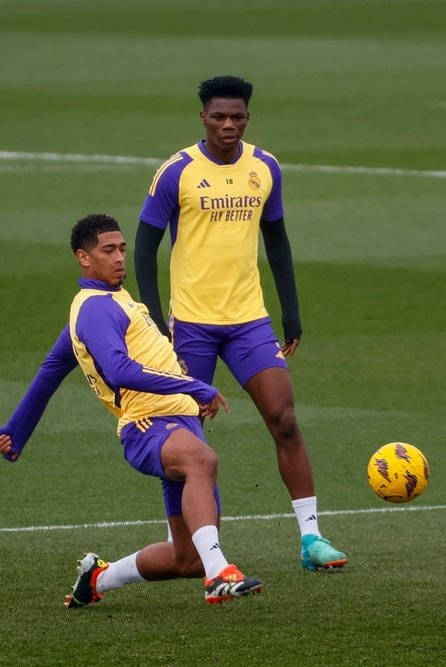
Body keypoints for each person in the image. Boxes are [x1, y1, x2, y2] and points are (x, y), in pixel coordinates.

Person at [0, 214, 264, 606]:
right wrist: (195, 385)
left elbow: (50, 370)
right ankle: (219, 573)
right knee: (201, 461)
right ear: (83, 258)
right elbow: (120, 371)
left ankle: (98, 579)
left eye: (122, 248)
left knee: (185, 558)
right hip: (147, 424)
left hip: (179, 421)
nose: (120, 257)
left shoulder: (111, 303)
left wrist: (17, 430)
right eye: (108, 250)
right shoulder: (95, 309)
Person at [134, 75, 346, 571]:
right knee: (186, 436)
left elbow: (277, 237)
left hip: (249, 320)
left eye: (237, 117)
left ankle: (312, 539)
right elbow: (144, 247)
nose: (228, 125)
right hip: (190, 326)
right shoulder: (177, 172)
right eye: (219, 117)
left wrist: (290, 309)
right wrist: (150, 319)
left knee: (285, 420)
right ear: (203, 118)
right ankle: (186, 545)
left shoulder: (265, 166)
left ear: (248, 118)